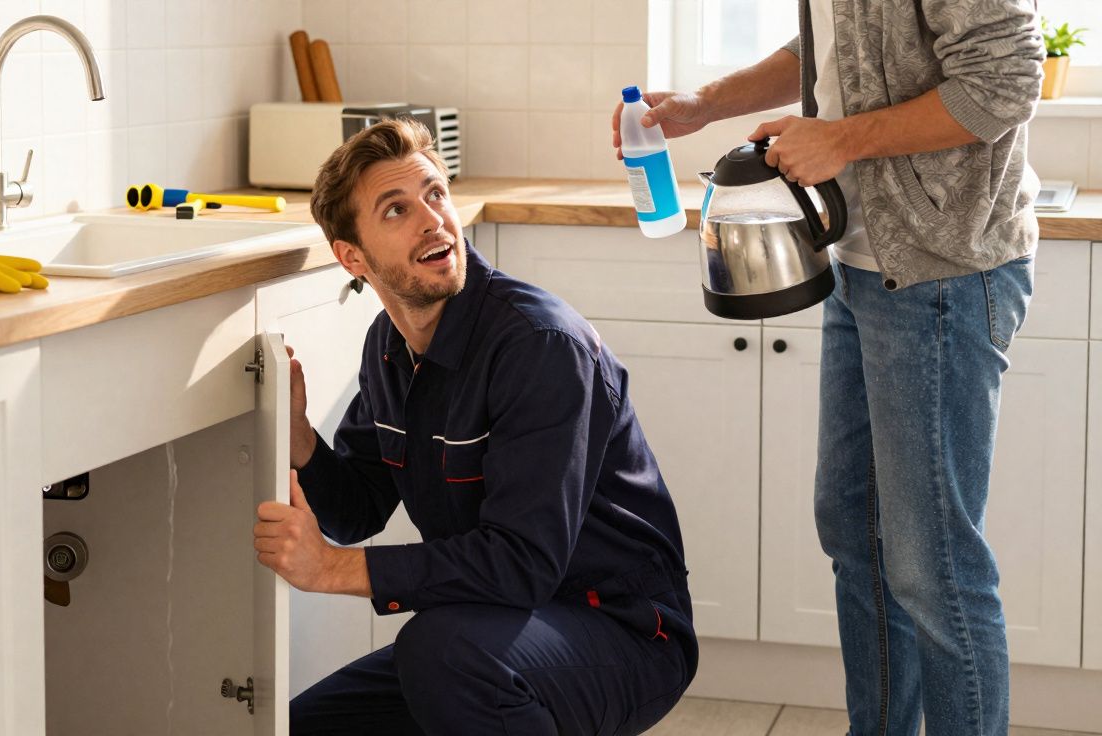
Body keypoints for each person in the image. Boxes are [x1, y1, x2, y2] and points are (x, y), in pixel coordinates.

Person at [613, 1, 1043, 734]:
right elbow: (828, 46)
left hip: (942, 270)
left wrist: (840, 140)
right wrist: (705, 105)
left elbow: (1003, 81)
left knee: (933, 563)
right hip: (862, 266)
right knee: (855, 530)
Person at [252, 117, 698, 735]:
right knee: (304, 727)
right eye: (396, 210)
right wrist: (300, 438)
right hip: (497, 628)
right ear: (351, 256)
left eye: (435, 194)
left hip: (623, 629)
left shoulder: (539, 344)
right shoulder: (388, 348)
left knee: (439, 651)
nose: (433, 219)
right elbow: (356, 508)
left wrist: (330, 569)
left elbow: (522, 564)